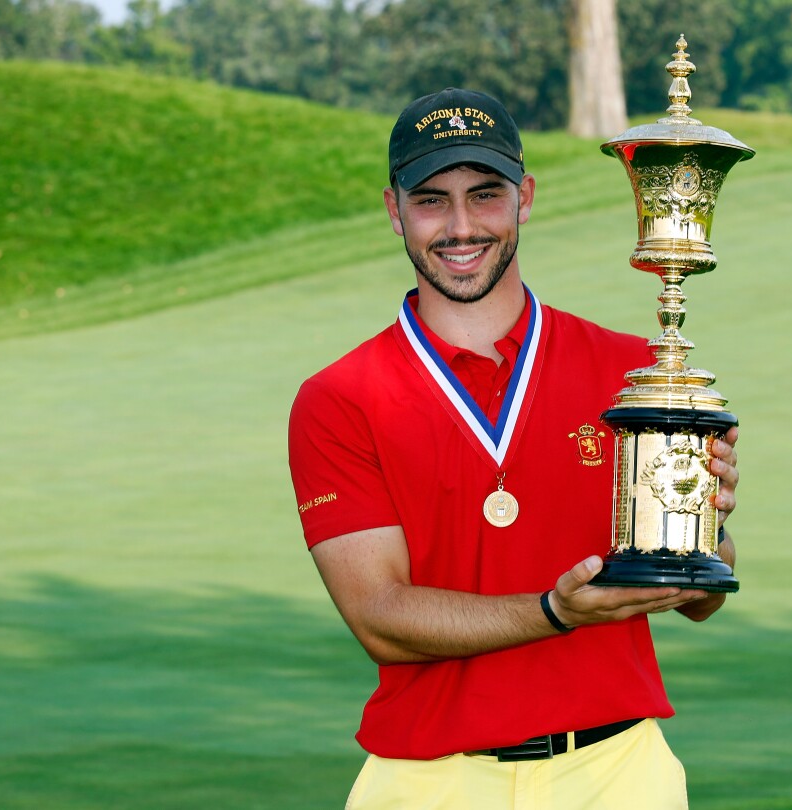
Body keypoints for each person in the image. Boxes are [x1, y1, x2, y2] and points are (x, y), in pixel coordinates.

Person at [288, 87, 739, 810]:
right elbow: (380, 618)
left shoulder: (634, 370)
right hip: (431, 779)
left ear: (525, 198)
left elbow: (700, 602)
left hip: (617, 772)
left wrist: (700, 521)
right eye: (432, 200)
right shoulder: (342, 397)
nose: (461, 227)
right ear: (393, 209)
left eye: (485, 195)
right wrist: (555, 611)